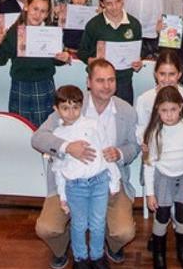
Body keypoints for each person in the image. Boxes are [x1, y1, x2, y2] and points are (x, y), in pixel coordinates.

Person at [33, 59, 140, 268]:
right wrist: (66, 147)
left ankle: (112, 245)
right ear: (88, 82)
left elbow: (134, 146)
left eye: (111, 80)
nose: (107, 85)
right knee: (46, 228)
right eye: (100, 80)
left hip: (108, 181)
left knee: (124, 232)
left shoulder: (126, 111)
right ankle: (63, 247)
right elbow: (38, 138)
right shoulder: (72, 105)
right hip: (70, 182)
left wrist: (119, 153)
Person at [47, 84, 122, 269]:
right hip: (75, 186)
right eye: (65, 108)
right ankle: (80, 258)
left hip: (99, 182)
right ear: (56, 109)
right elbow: (58, 169)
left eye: (75, 107)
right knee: (79, 225)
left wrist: (114, 180)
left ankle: (97, 256)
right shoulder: (58, 135)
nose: (71, 113)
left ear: (81, 106)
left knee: (97, 223)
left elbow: (106, 151)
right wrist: (63, 196)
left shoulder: (93, 124)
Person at [140, 86, 183, 268]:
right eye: (164, 110)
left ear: (181, 107)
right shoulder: (153, 132)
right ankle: (159, 254)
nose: (169, 115)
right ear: (157, 109)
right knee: (162, 215)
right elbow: (149, 164)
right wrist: (150, 194)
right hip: (163, 178)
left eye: (173, 109)